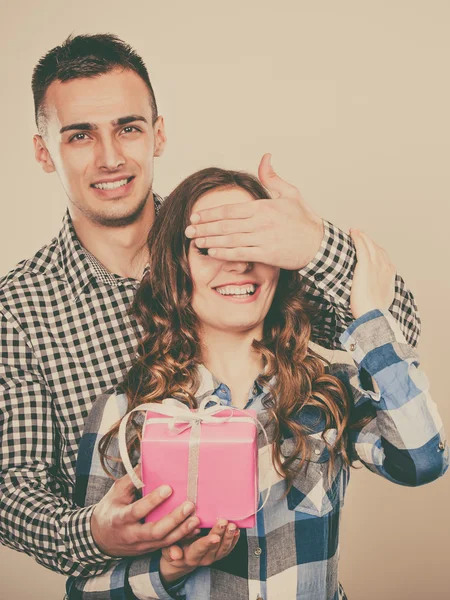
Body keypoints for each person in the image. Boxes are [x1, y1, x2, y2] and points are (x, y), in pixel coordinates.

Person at [0, 33, 421, 581]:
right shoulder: (18, 309)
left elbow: (399, 333)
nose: (110, 158)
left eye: (128, 128)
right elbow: (14, 487)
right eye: (80, 136)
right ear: (42, 151)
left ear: (159, 134)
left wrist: (315, 243)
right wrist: (95, 531)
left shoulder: (231, 238)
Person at [67, 167, 447, 600]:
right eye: (211, 245)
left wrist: (368, 317)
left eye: (254, 242)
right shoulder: (126, 414)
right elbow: (87, 590)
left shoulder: (328, 391)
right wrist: (170, 570)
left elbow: (422, 461)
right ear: (177, 267)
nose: (239, 262)